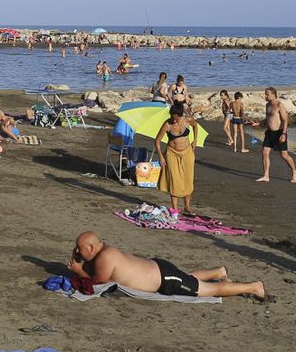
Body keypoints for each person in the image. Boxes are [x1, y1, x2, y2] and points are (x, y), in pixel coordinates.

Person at [67, 231, 265, 300]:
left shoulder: (105, 258)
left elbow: (96, 282)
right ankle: (219, 271)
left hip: (165, 279)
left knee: (211, 290)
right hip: (160, 271)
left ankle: (253, 287)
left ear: (91, 248)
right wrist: (80, 260)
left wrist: (78, 270)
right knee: (186, 278)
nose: (77, 251)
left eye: (80, 248)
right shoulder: (104, 252)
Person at [155, 103, 197, 215]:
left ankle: (187, 207)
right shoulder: (167, 125)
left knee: (188, 179)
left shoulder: (187, 120)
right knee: (174, 180)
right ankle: (174, 209)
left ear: (180, 115)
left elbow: (195, 125)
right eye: (172, 117)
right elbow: (157, 140)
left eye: (176, 118)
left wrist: (195, 140)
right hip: (172, 154)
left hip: (187, 152)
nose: (174, 120)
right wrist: (161, 156)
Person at [255, 87, 296, 183]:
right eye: (265, 94)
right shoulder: (267, 105)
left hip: (279, 132)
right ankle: (266, 176)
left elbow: (285, 120)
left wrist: (284, 134)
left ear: (274, 94)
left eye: (267, 94)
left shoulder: (279, 105)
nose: (265, 96)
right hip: (269, 133)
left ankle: (294, 172)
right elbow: (268, 119)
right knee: (265, 152)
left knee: (284, 155)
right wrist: (258, 123)